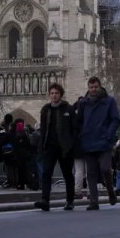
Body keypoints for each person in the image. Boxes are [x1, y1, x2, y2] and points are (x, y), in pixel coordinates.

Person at [76, 76, 120, 210]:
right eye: (91, 87)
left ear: (99, 86)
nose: (93, 90)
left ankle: (110, 191)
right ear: (88, 88)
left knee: (105, 169)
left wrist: (108, 135)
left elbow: (115, 120)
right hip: (88, 141)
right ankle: (94, 201)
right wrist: (81, 135)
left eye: (95, 87)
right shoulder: (83, 103)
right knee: (91, 173)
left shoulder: (109, 101)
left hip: (103, 142)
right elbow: (79, 121)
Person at [34, 83, 77, 211]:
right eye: (52, 93)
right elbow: (43, 129)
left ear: (61, 94)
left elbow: (74, 128)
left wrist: (71, 144)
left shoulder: (68, 109)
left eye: (56, 93)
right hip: (50, 146)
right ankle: (45, 199)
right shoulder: (45, 109)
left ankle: (70, 200)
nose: (54, 95)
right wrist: (42, 145)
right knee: (46, 173)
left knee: (67, 174)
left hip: (64, 147)